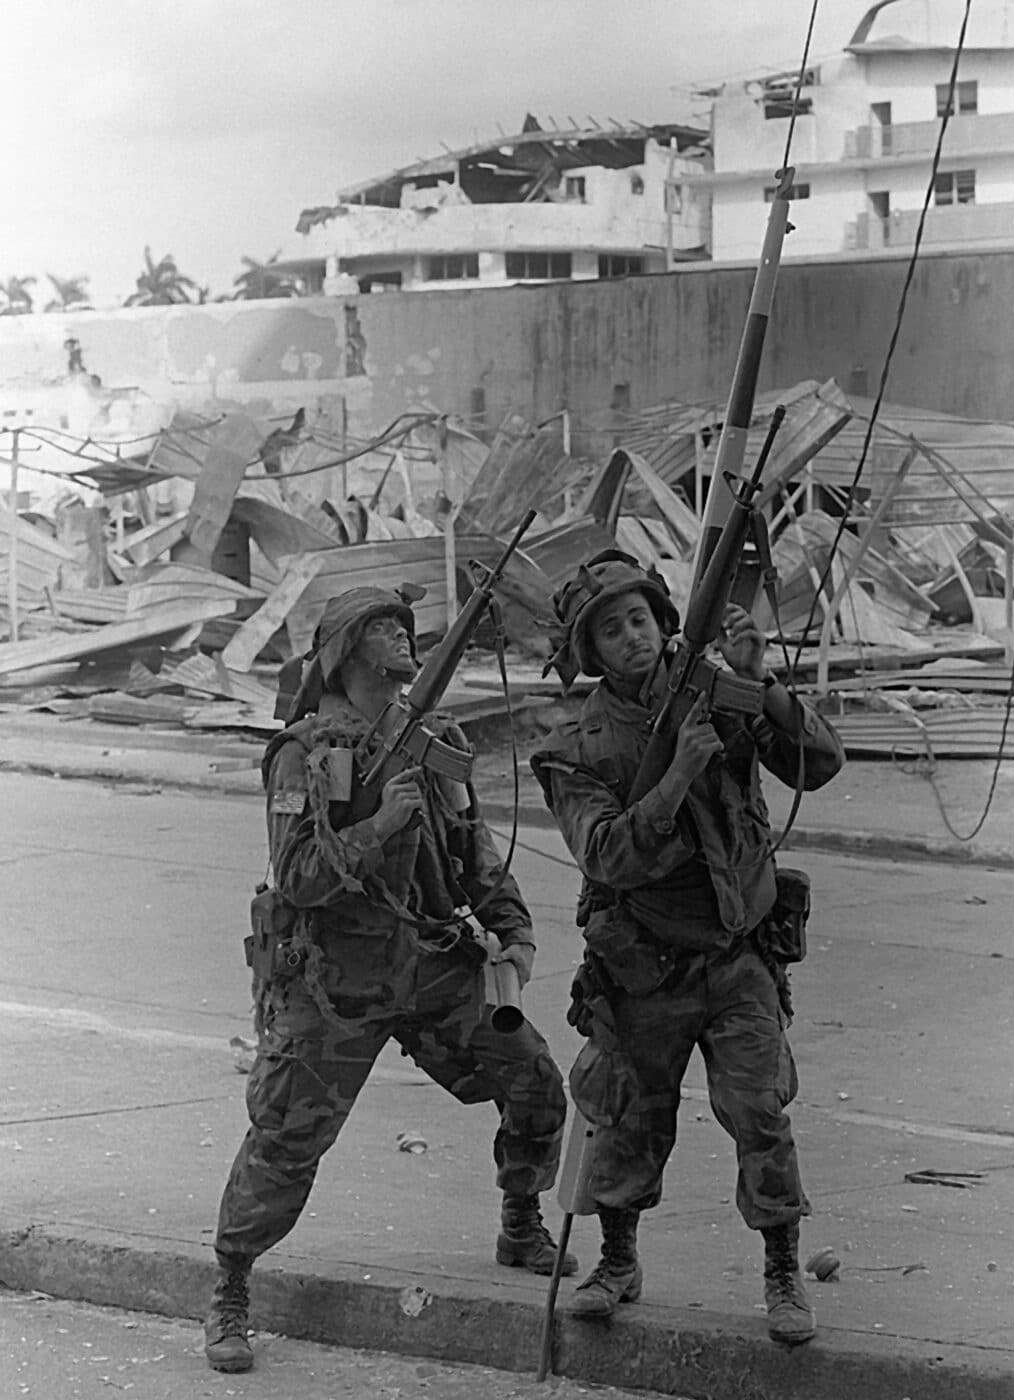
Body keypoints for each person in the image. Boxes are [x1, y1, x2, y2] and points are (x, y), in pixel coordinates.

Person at [204, 585, 574, 1373]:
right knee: (285, 1140)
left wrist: (511, 930)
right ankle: (231, 1284)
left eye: (405, 626)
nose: (402, 638)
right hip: (335, 984)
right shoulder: (305, 751)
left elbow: (472, 849)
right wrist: (378, 825)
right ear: (344, 650)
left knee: (536, 1078)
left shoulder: (432, 738)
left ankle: (520, 1218)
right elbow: (298, 875)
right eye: (381, 627)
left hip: (429, 965)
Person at [530, 550, 844, 1346]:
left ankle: (780, 1273)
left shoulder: (712, 690)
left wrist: (759, 684)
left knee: (759, 1113)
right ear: (589, 652)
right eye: (611, 630)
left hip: (737, 953)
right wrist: (676, 775)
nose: (633, 638)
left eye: (640, 619)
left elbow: (822, 763)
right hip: (646, 961)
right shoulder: (578, 748)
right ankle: (618, 1261)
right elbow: (606, 855)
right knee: (630, 1118)